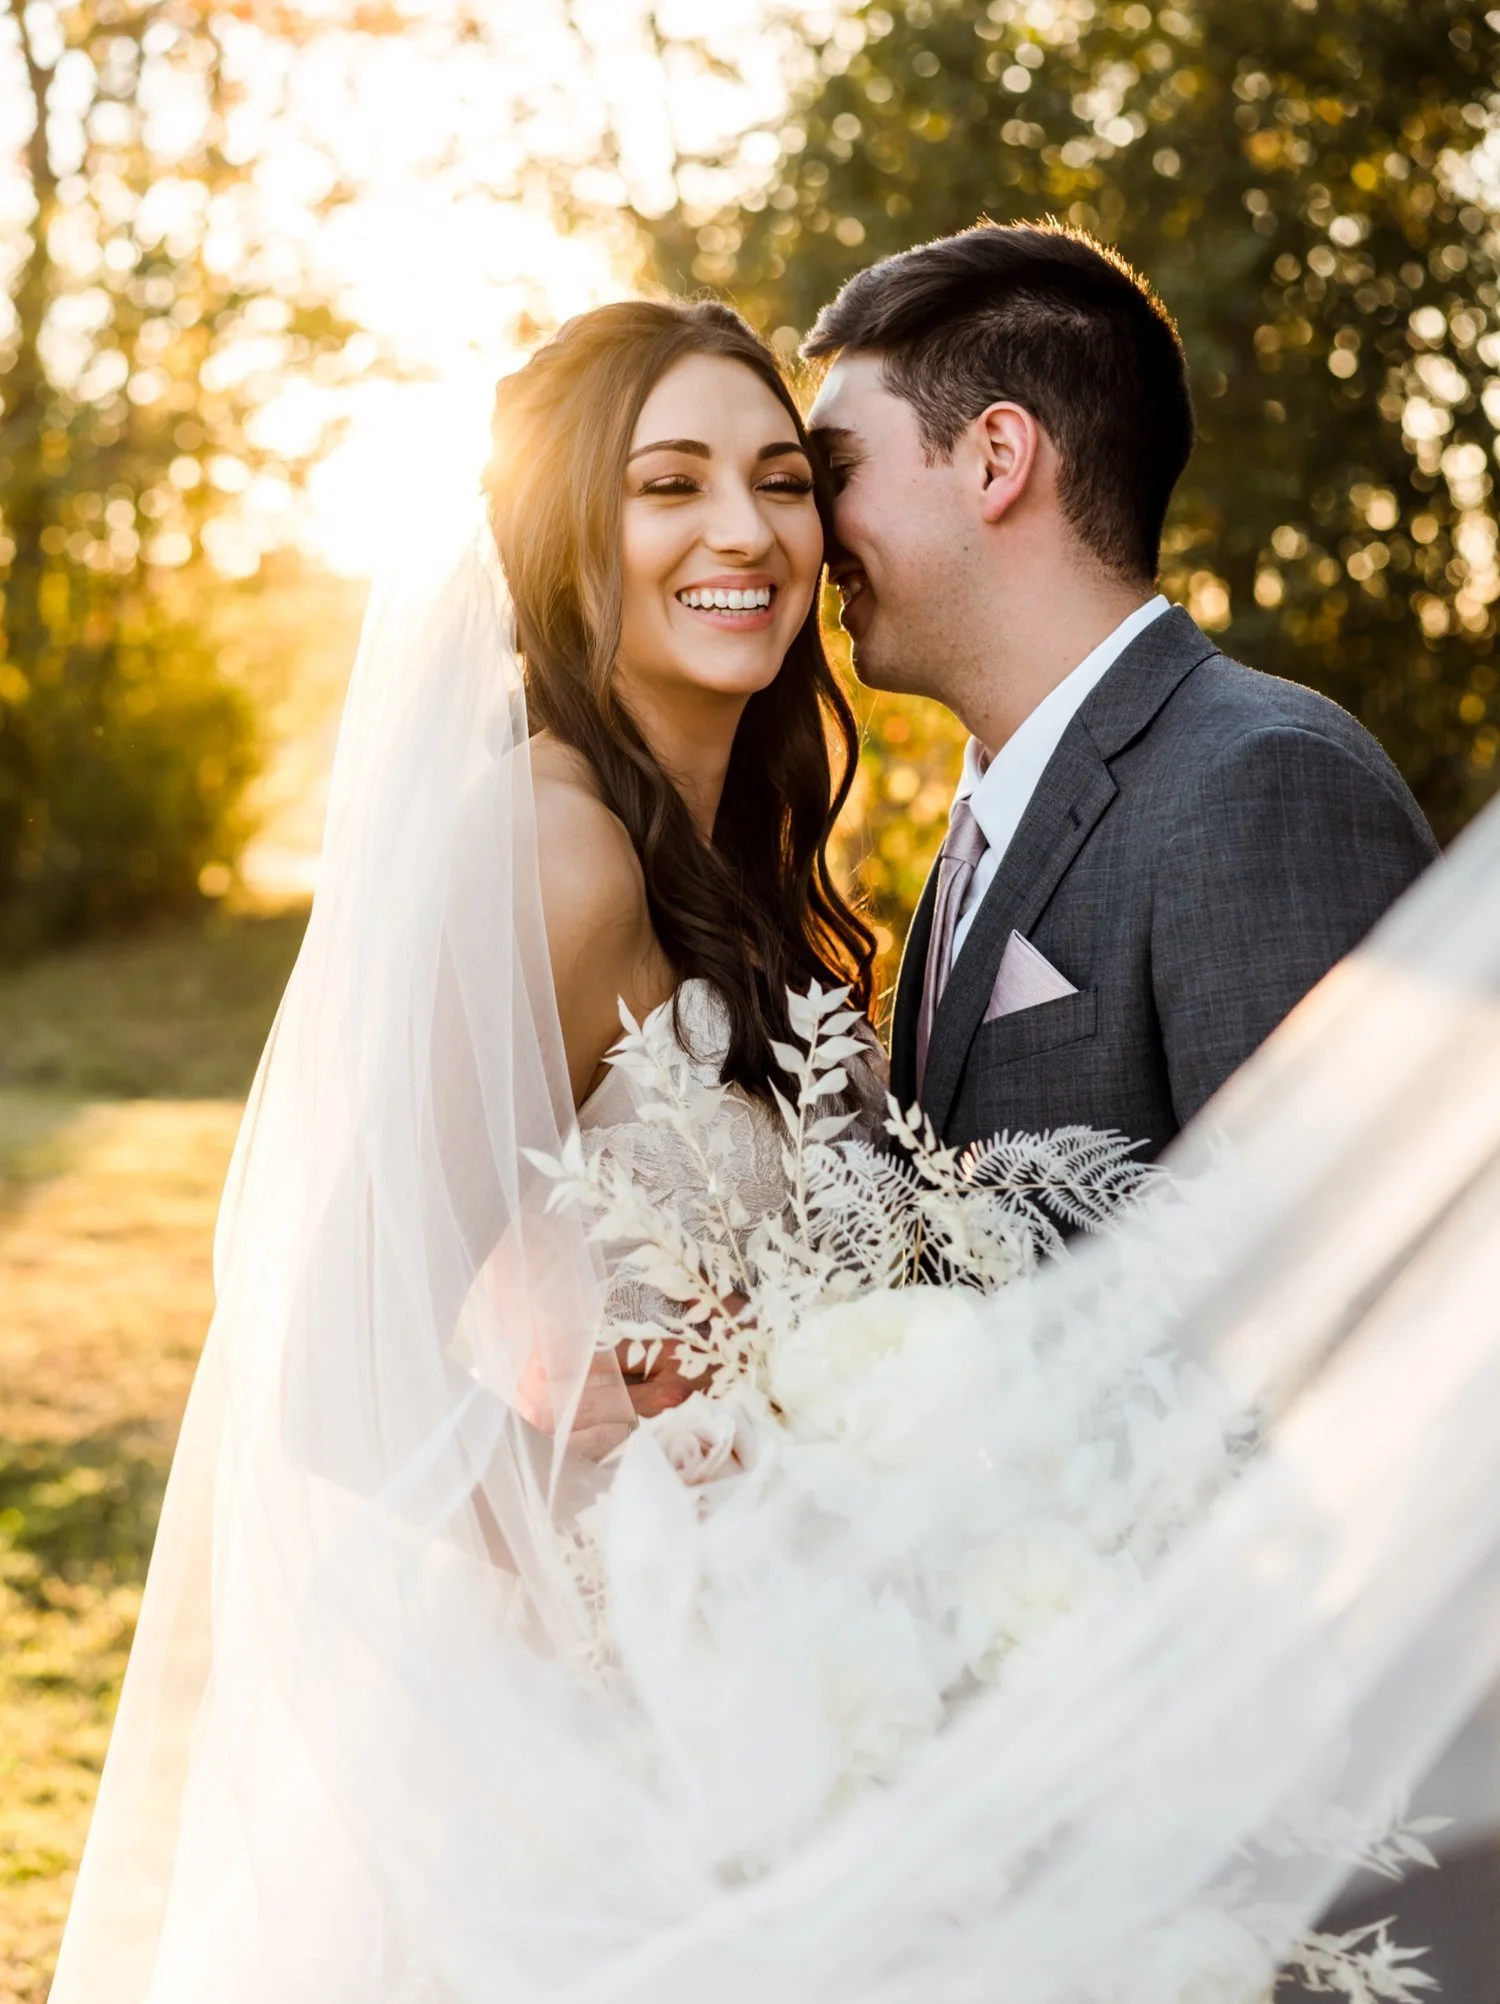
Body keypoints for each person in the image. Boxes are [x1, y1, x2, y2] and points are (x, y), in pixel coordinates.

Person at [805, 221, 1439, 1159]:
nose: (810, 531)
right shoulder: (984, 832)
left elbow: (1345, 1256)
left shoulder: (1262, 786)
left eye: (835, 474)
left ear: (996, 458)